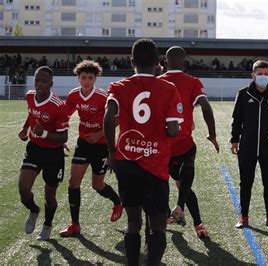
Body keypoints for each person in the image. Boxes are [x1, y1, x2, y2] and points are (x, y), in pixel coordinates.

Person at [103, 38, 183, 265]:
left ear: (132, 61)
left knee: (133, 223)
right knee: (157, 225)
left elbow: (108, 119)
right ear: (158, 62)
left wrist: (111, 150)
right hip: (156, 165)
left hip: (126, 161)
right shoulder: (168, 88)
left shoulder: (118, 87)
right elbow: (173, 130)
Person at [159, 46, 219, 238]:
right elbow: (206, 107)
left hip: (161, 146)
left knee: (158, 185)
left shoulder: (156, 82)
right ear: (185, 64)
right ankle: (196, 222)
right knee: (184, 181)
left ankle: (168, 215)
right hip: (183, 143)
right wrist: (213, 135)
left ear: (165, 64)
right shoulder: (192, 82)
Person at [59, 60, 123, 237]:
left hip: (102, 146)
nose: (86, 81)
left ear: (95, 79)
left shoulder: (103, 97)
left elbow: (116, 120)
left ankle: (118, 202)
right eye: (83, 77)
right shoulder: (73, 96)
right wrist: (61, 135)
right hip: (83, 144)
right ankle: (75, 225)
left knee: (97, 185)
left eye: (90, 77)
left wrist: (98, 134)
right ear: (78, 78)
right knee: (73, 183)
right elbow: (63, 116)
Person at [230, 60, 268, 229]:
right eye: (259, 74)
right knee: (245, 183)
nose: (262, 76)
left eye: (265, 73)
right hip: (247, 147)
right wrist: (234, 140)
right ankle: (244, 217)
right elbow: (236, 120)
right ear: (253, 75)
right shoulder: (243, 94)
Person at [18, 66, 69, 240]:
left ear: (51, 84)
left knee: (50, 194)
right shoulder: (30, 96)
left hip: (53, 155)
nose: (39, 84)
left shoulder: (58, 106)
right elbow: (31, 113)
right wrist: (25, 128)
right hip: (34, 149)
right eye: (37, 80)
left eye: (44, 81)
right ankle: (34, 210)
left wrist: (45, 133)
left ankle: (47, 225)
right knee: (24, 189)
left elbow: (64, 137)